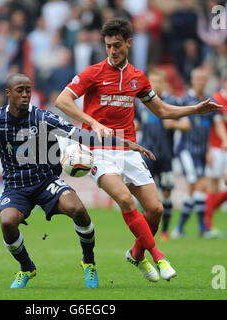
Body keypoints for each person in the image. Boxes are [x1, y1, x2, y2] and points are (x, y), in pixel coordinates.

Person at [0, 73, 154, 289]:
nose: (25, 95)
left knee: (78, 209)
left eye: (28, 90)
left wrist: (123, 144)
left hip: (45, 182)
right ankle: (26, 268)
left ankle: (89, 263)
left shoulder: (42, 117)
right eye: (20, 90)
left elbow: (80, 135)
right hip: (16, 187)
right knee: (7, 223)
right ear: (8, 93)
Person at [55, 18, 222, 282]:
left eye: (117, 45)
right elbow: (62, 100)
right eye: (108, 46)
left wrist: (195, 109)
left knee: (155, 210)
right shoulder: (92, 73)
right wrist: (93, 122)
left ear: (129, 43)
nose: (112, 50)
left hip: (128, 150)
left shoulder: (138, 78)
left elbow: (163, 110)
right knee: (124, 198)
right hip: (98, 149)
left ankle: (136, 253)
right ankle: (158, 256)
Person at [135, 68, 191, 241]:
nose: (155, 85)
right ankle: (144, 231)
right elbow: (136, 123)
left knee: (166, 193)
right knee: (143, 194)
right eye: (152, 82)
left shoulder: (173, 101)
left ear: (164, 83)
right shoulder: (140, 103)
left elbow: (187, 125)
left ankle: (165, 231)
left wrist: (173, 124)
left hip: (166, 156)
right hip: (146, 154)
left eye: (158, 81)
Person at [170, 68, 227, 238]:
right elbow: (173, 121)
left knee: (195, 190)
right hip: (187, 151)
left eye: (204, 78)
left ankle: (181, 229)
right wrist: (179, 125)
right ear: (192, 80)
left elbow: (216, 124)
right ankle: (202, 228)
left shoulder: (209, 101)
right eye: (199, 78)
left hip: (202, 152)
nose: (202, 81)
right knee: (200, 185)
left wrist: (223, 140)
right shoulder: (185, 100)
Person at [204, 72, 227, 236]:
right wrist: (209, 148)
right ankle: (207, 225)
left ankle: (206, 218)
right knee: (213, 185)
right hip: (218, 148)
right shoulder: (216, 99)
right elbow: (209, 126)